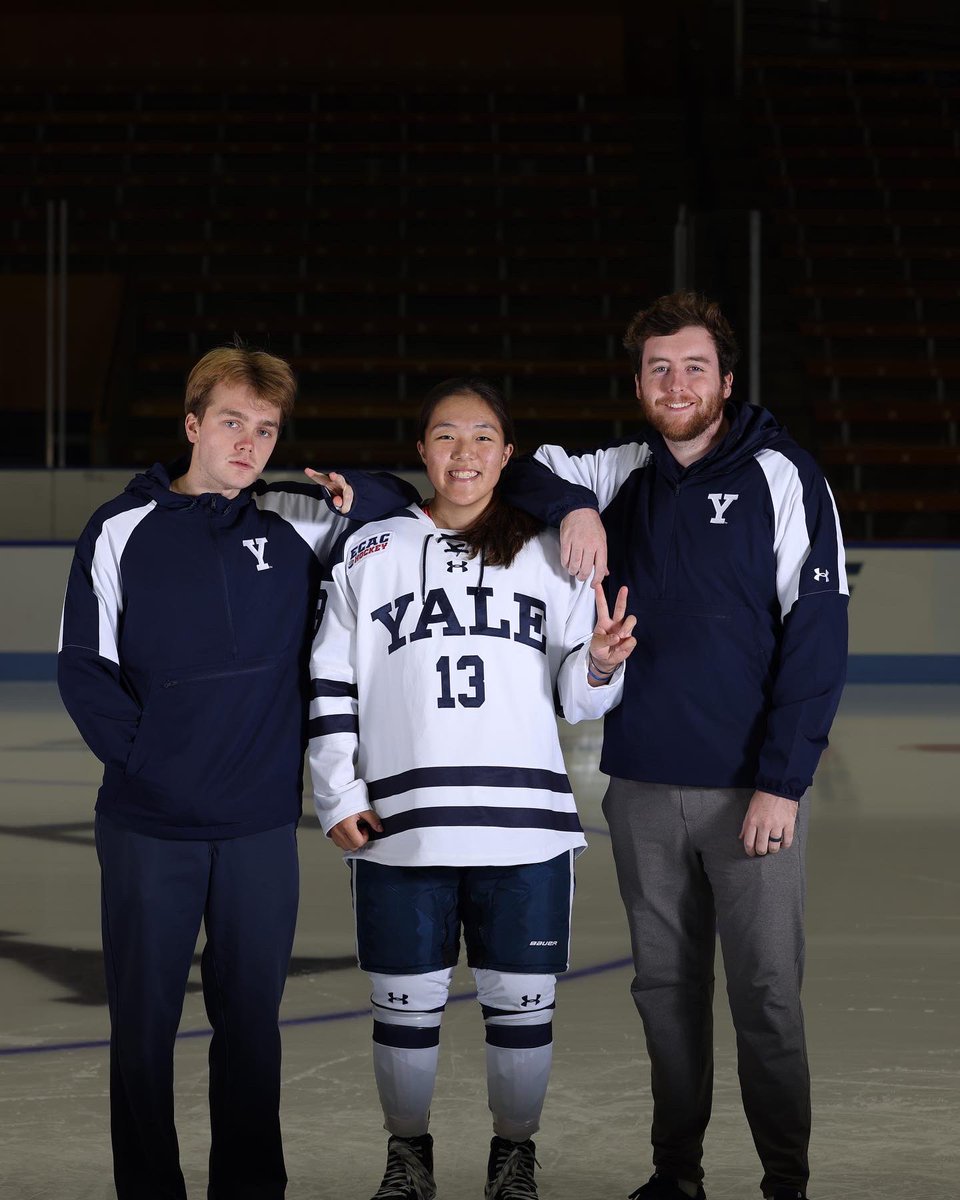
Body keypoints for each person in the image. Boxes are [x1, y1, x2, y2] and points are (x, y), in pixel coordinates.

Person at [57, 345, 422, 1200]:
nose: (249, 443)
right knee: (143, 1031)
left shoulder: (297, 521)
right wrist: (153, 764)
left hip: (260, 828)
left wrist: (352, 492)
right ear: (191, 425)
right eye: (231, 423)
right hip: (149, 827)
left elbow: (400, 511)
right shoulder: (118, 528)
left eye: (266, 429)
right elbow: (83, 668)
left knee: (252, 1028)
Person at [508, 292, 849, 1200]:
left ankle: (785, 1182)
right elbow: (521, 466)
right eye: (659, 369)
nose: (677, 383)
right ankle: (677, 1177)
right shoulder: (624, 470)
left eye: (695, 367)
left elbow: (817, 637)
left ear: (727, 381)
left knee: (766, 998)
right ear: (638, 384)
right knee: (664, 993)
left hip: (752, 797)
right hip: (644, 790)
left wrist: (783, 783)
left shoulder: (785, 475)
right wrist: (578, 507)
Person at [307, 377, 637, 1200]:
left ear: (509, 454)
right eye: (446, 437)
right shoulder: (371, 548)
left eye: (483, 437)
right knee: (404, 1016)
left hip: (525, 829)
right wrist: (337, 793)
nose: (464, 453)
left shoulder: (550, 549)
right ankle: (407, 1155)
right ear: (421, 451)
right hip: (399, 828)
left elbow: (577, 696)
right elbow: (327, 678)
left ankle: (512, 1155)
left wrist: (598, 662)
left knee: (521, 1011)